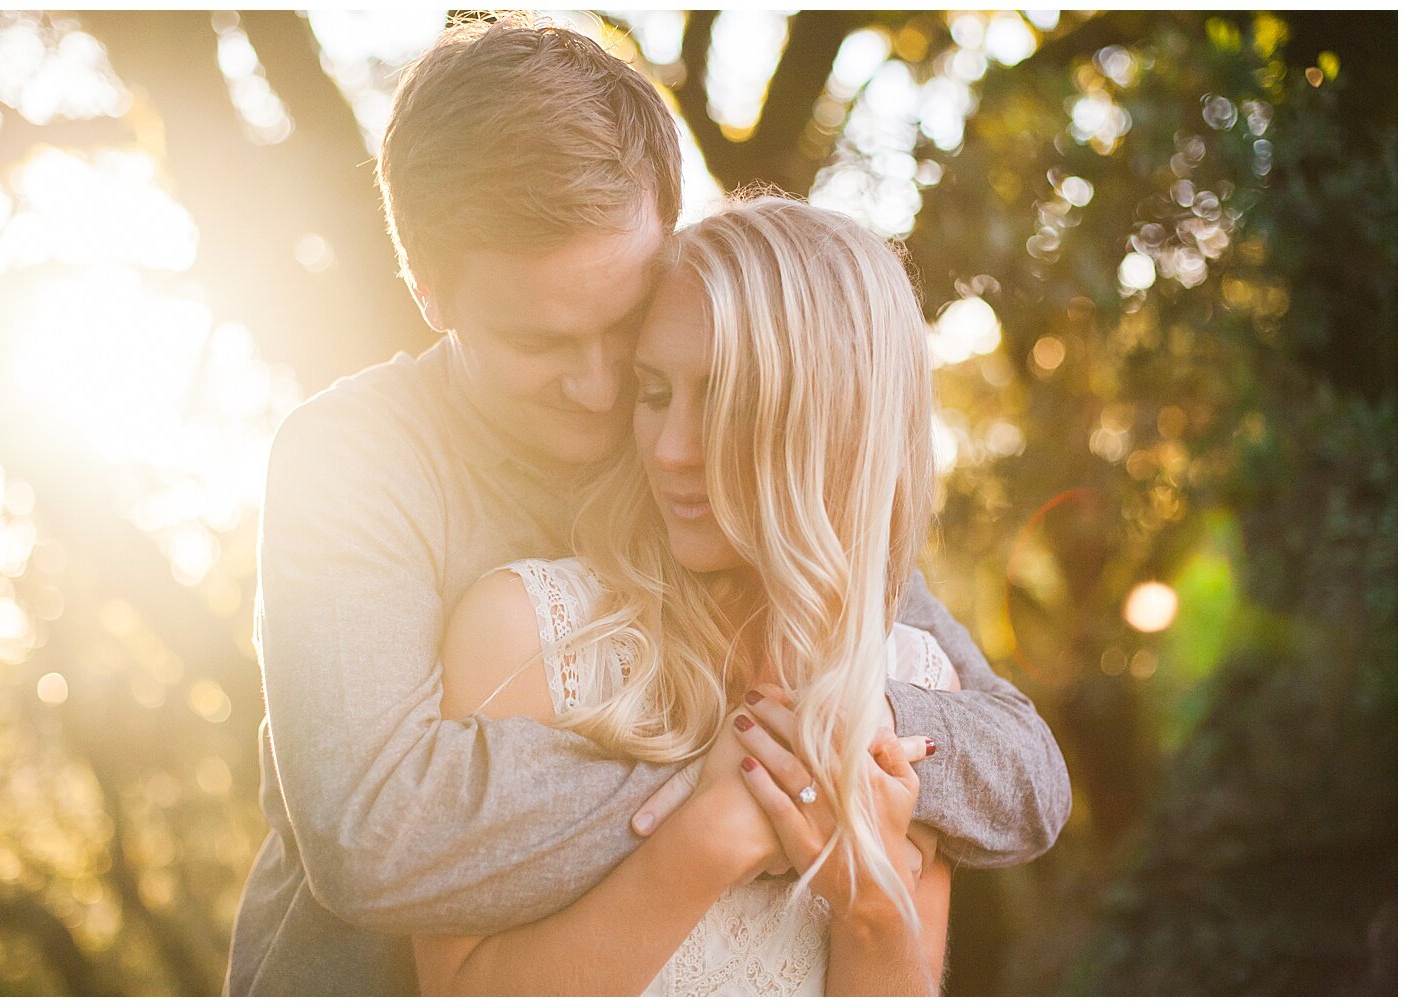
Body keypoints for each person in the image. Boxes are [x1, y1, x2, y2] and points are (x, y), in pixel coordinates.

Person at [225, 15, 1069, 996]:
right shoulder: (354, 456)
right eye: (538, 342)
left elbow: (1021, 775)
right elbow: (373, 835)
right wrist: (745, 783)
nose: (596, 386)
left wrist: (849, 729)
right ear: (427, 288)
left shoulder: (720, 448)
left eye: (623, 321)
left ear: (668, 235)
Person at [415, 194, 964, 995]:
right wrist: (709, 839)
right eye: (656, 392)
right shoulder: (527, 633)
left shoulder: (917, 682)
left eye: (725, 397)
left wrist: (872, 901)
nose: (671, 451)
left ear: (835, 419)